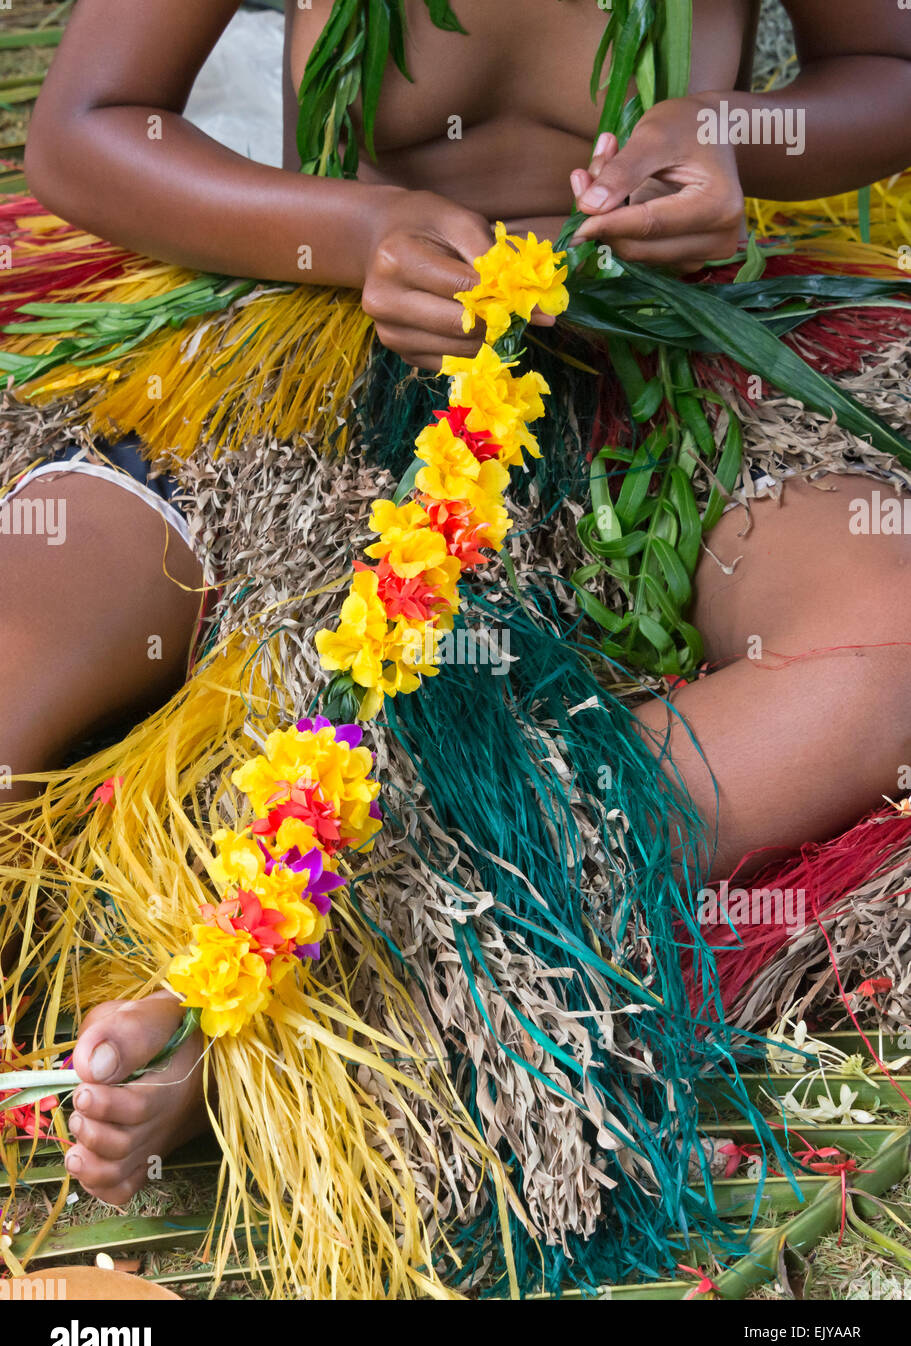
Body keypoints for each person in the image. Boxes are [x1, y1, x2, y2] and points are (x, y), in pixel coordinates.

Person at [6, 0, 911, 1207]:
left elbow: (886, 70)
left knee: (881, 638)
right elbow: (85, 129)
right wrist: (357, 227)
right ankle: (241, 964)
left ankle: (292, 988)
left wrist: (735, 130)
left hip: (667, 367)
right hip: (302, 333)